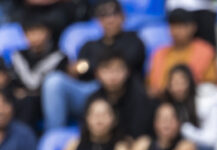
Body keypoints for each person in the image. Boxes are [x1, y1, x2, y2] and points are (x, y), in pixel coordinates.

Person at [41, 0, 146, 131]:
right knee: (54, 81)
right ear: (98, 21)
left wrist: (92, 66)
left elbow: (127, 65)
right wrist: (83, 68)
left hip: (122, 92)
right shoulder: (89, 44)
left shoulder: (133, 41)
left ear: (123, 17)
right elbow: (78, 69)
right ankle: (54, 135)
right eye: (104, 16)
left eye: (114, 14)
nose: (109, 20)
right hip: (89, 91)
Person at [9, 15, 66, 130]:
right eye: (29, 32)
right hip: (20, 104)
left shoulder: (60, 56)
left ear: (48, 32)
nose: (34, 37)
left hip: (44, 104)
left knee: (29, 102)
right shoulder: (18, 55)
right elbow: (13, 85)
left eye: (38, 31)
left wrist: (28, 93)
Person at [147, 8, 217, 97]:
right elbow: (154, 86)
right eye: (173, 26)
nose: (176, 31)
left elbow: (211, 84)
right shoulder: (159, 53)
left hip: (196, 100)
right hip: (165, 102)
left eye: (181, 26)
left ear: (193, 27)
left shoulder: (205, 51)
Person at [88, 49, 153, 140]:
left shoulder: (140, 99)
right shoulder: (93, 100)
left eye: (117, 70)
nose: (112, 76)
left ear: (127, 71)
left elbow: (140, 135)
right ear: (97, 73)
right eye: (107, 70)